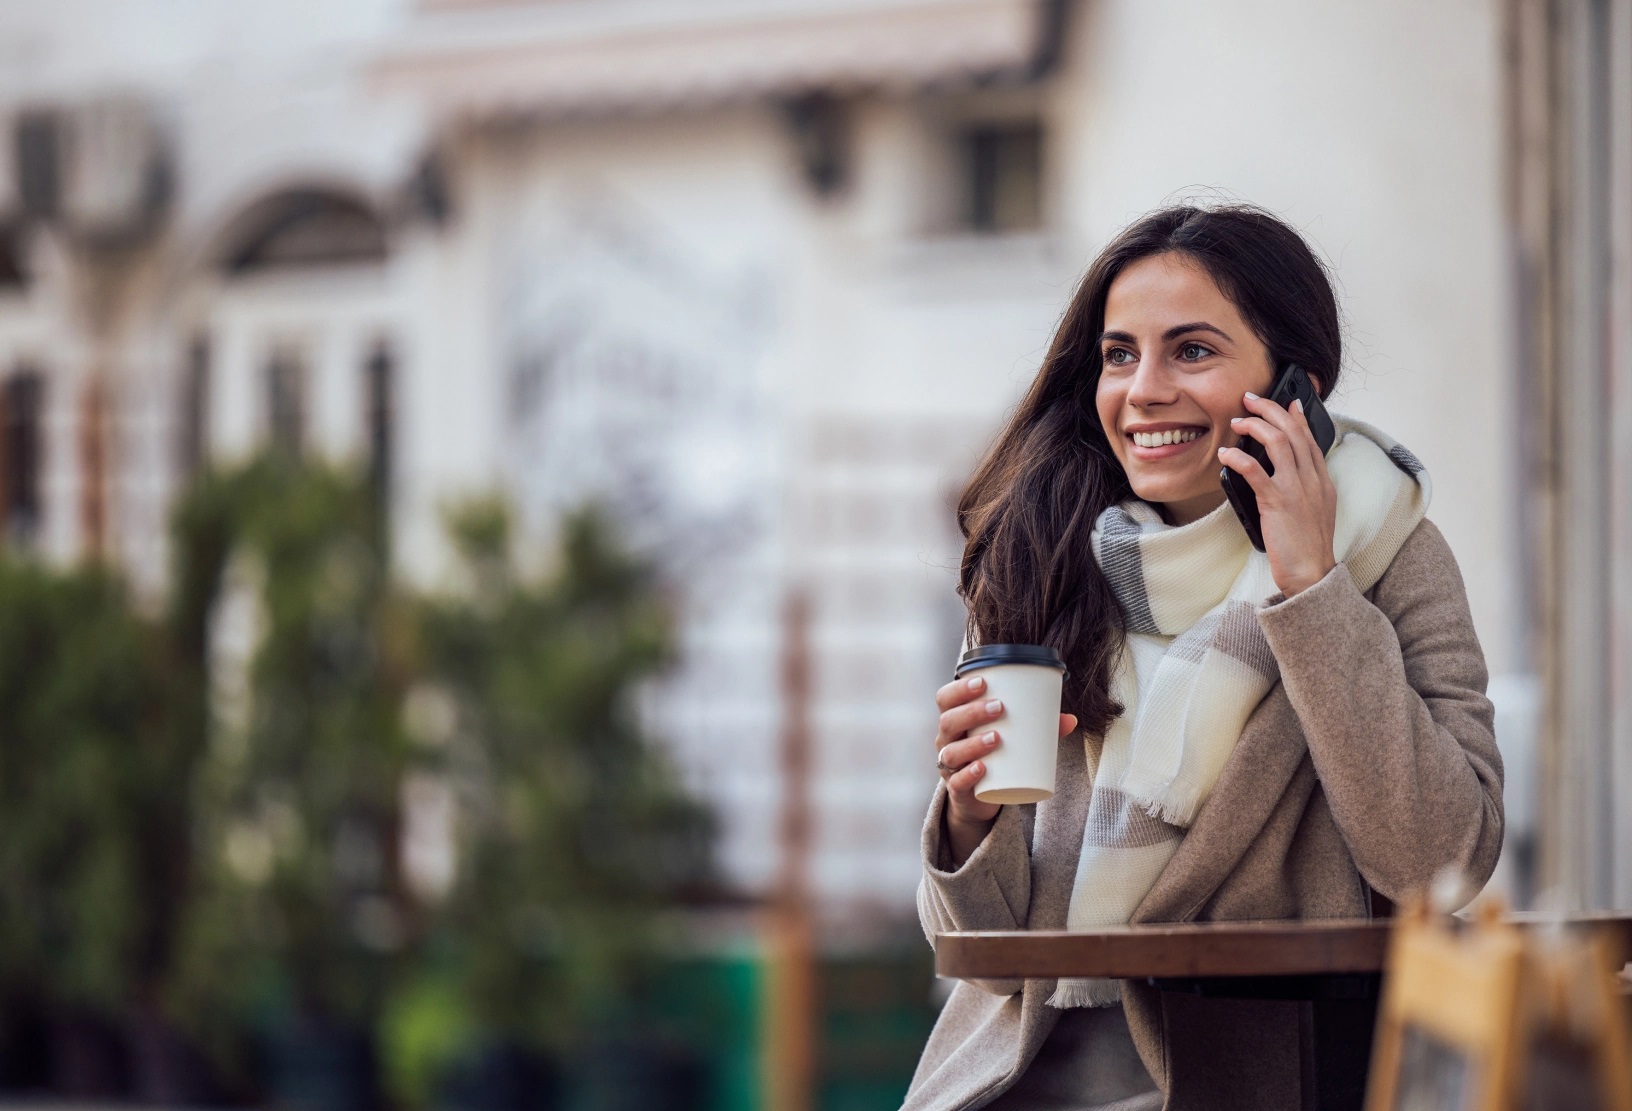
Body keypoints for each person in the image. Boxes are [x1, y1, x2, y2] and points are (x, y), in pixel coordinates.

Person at [906, 205, 1504, 1111]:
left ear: (1295, 385)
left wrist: (1312, 588)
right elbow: (982, 954)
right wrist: (967, 817)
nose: (1144, 390)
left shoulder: (1387, 551)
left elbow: (1440, 859)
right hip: (1014, 1079)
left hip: (1250, 1079)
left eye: (1191, 351)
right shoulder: (1040, 559)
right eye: (1119, 355)